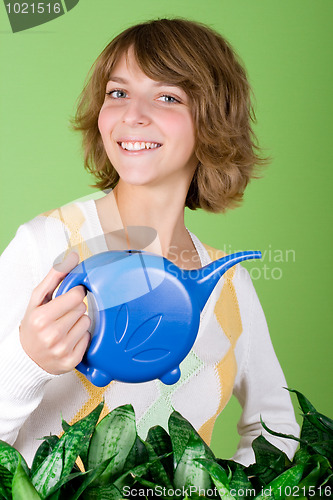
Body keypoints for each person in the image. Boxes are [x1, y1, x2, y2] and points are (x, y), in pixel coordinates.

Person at [0, 18, 299, 467]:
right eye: (118, 92)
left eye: (167, 97)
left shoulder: (230, 285)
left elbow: (277, 429)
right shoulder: (47, 246)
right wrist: (28, 362)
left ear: (212, 119)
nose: (131, 114)